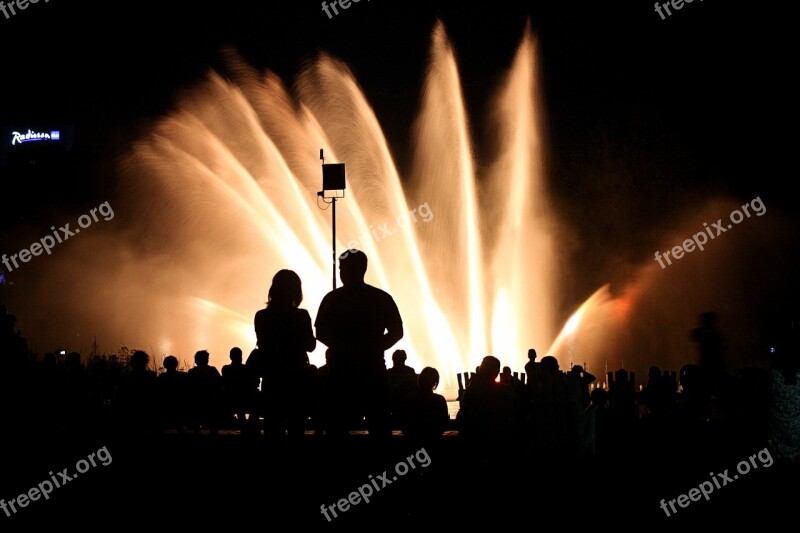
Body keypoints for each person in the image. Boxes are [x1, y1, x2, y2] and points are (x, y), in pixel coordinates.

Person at [315, 249, 403, 444]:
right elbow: (397, 331)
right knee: (378, 426)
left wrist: (341, 346)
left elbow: (320, 332)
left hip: (341, 372)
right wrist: (375, 347)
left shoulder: (332, 299)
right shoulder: (381, 298)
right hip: (372, 370)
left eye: (341, 267)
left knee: (337, 428)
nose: (340, 272)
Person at [254, 269, 316, 441]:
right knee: (297, 428)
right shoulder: (302, 316)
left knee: (273, 428)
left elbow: (264, 345)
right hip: (297, 378)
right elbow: (311, 346)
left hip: (272, 378)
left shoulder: (261, 316)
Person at [401, 366, 449, 451]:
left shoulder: (410, 399)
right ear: (435, 382)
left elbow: (406, 422)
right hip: (434, 442)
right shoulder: (439, 400)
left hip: (413, 443)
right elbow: (443, 422)